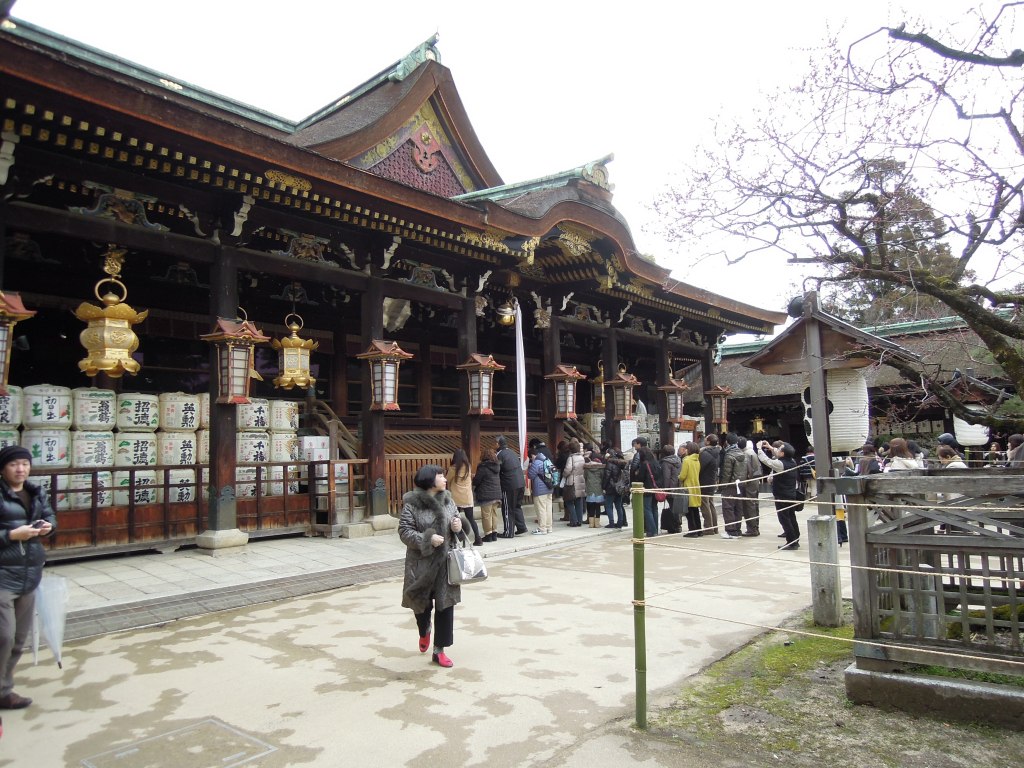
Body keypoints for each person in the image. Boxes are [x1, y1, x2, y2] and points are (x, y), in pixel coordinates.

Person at [0, 444, 57, 709]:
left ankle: (4, 690)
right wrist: (13, 535)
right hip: (3, 575)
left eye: (24, 464)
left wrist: (48, 527)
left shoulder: (36, 492)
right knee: (4, 635)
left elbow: (51, 518)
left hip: (29, 574)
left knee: (18, 639)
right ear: (3, 469)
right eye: (14, 464)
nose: (20, 469)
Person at [399, 464, 464, 668]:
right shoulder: (412, 504)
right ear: (429, 480)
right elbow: (404, 531)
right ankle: (424, 629)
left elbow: (458, 524)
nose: (445, 479)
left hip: (446, 564)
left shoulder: (449, 501)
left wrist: (458, 526)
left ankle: (439, 650)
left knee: (446, 606)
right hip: (421, 564)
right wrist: (427, 539)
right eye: (440, 476)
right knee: (421, 605)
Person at [756, 440, 803, 550]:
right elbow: (777, 455)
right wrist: (770, 448)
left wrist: (759, 449)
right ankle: (795, 538)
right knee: (791, 517)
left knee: (784, 519)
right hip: (790, 494)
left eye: (779, 449)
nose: (777, 450)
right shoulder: (792, 461)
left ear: (782, 453)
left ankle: (791, 542)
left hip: (782, 495)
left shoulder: (781, 464)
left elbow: (767, 461)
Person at [446, 449, 482, 546]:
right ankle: (478, 538)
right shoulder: (468, 467)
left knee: (454, 519)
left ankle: (456, 539)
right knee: (471, 518)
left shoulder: (453, 468)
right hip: (467, 496)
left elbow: (447, 479)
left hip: (456, 497)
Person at [495, 436, 528, 537]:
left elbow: (497, 470)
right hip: (521, 483)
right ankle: (521, 527)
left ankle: (508, 532)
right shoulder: (512, 452)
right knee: (517, 506)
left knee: (507, 508)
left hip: (509, 484)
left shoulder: (500, 455)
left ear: (497, 444)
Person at [718, 433, 746, 540]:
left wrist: (723, 485)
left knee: (728, 507)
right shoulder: (742, 453)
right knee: (738, 507)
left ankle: (731, 531)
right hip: (740, 483)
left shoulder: (729, 455)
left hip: (730, 484)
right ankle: (737, 529)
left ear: (727, 442)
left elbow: (727, 473)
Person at [472, 449, 502, 542]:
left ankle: (488, 535)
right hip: (496, 494)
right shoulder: (497, 466)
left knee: (486, 515)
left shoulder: (483, 467)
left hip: (486, 494)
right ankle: (494, 533)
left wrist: (473, 478)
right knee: (494, 514)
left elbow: (477, 480)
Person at [526, 445, 554, 534]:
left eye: (531, 458)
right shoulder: (547, 460)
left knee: (541, 509)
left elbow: (530, 475)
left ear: (532, 455)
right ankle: (549, 527)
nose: (531, 459)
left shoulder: (536, 462)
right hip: (549, 488)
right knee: (548, 508)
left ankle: (542, 528)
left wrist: (530, 466)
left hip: (540, 490)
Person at [635, 446, 661, 537]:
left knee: (647, 509)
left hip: (647, 488)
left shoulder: (644, 464)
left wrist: (637, 474)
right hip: (656, 488)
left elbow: (641, 478)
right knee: (654, 508)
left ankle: (651, 530)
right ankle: (655, 529)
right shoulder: (656, 462)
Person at [698, 434, 721, 535]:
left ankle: (708, 527)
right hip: (712, 480)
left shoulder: (706, 453)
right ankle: (714, 527)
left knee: (705, 505)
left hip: (704, 481)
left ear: (708, 442)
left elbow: (700, 467)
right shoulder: (717, 452)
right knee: (711, 504)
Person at [678, 442, 703, 536]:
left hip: (688, 487)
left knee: (689, 511)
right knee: (695, 510)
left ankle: (692, 531)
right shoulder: (697, 460)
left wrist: (678, 477)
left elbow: (683, 475)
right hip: (696, 486)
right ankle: (699, 530)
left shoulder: (686, 460)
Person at [739, 437, 762, 537]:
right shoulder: (752, 452)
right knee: (754, 504)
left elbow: (747, 470)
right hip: (755, 481)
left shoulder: (745, 454)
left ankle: (752, 529)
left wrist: (743, 481)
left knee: (749, 506)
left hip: (749, 482)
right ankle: (755, 527)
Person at [601, 447, 628, 529]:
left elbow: (607, 476)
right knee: (619, 506)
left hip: (610, 487)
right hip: (619, 487)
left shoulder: (609, 464)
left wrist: (603, 487)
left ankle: (611, 523)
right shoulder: (620, 463)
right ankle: (620, 523)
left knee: (609, 506)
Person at [561, 439, 586, 527]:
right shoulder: (582, 457)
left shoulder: (571, 458)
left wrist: (564, 474)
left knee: (569, 501)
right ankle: (579, 520)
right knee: (578, 502)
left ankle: (574, 521)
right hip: (581, 481)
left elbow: (568, 470)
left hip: (572, 482)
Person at [659, 445, 683, 534]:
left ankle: (674, 525)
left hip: (670, 487)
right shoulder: (678, 460)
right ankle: (678, 525)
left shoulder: (666, 463)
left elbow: (666, 477)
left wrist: (665, 490)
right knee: (677, 507)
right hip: (678, 486)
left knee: (672, 506)